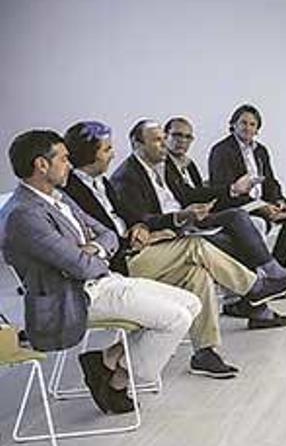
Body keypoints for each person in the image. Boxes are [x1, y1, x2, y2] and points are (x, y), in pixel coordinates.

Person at [62, 121, 286, 378]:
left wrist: (141, 226)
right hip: (121, 263)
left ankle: (205, 352)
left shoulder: (102, 183)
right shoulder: (74, 191)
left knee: (198, 274)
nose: (113, 154)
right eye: (107, 149)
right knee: (197, 246)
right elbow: (95, 238)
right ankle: (254, 288)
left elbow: (132, 217)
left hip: (144, 248)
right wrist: (144, 234)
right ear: (89, 153)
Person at [1, 130, 201, 414]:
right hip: (73, 297)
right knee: (175, 319)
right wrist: (95, 255)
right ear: (41, 165)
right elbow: (79, 265)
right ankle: (119, 381)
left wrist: (93, 249)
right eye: (64, 158)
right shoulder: (24, 214)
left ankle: (107, 361)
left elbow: (108, 234)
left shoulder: (56, 196)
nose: (69, 165)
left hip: (101, 282)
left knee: (192, 303)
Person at [114, 119, 286, 328]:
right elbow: (140, 220)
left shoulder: (161, 166)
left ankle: (272, 276)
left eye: (186, 137)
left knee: (237, 217)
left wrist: (234, 190)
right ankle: (259, 299)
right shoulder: (127, 177)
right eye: (160, 140)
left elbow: (189, 194)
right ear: (137, 143)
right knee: (239, 238)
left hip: (190, 220)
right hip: (169, 232)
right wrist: (181, 217)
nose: (165, 145)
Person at [207, 104, 286, 266]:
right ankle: (261, 274)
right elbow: (225, 191)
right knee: (259, 222)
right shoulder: (221, 150)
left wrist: (280, 201)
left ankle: (279, 269)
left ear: (257, 129)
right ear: (233, 125)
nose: (248, 128)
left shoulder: (260, 150)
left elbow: (271, 181)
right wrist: (260, 207)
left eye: (252, 124)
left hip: (263, 204)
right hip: (237, 207)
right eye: (243, 123)